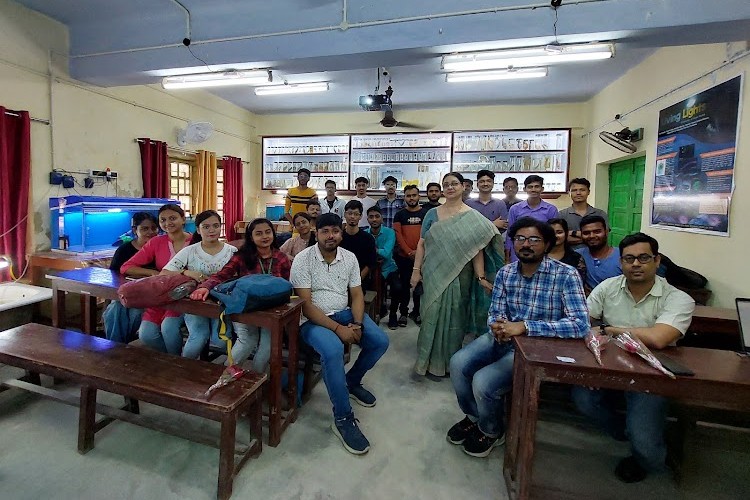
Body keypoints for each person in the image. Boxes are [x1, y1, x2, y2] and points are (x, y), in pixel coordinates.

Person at [447, 217, 589, 457]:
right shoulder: (506, 272)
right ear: (512, 244)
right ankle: (475, 416)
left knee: (483, 382)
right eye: (520, 239)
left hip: (536, 347)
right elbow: (496, 310)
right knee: (458, 364)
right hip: (502, 337)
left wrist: (524, 326)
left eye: (534, 239)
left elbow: (579, 325)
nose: (526, 244)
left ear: (546, 244)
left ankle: (492, 430)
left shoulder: (567, 275)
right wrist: (498, 326)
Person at [572, 232, 694, 483]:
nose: (635, 264)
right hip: (608, 364)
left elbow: (660, 338)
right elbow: (584, 321)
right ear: (621, 262)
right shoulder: (608, 287)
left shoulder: (678, 298)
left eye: (643, 258)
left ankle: (644, 447)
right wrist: (591, 359)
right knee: (583, 400)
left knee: (649, 449)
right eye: (629, 259)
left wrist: (609, 330)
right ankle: (626, 432)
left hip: (653, 373)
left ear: (657, 261)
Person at [290, 213, 390, 455]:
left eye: (335, 231)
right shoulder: (303, 259)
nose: (330, 236)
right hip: (311, 321)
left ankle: (351, 381)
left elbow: (356, 294)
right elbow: (305, 304)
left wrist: (356, 323)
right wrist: (337, 329)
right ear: (317, 233)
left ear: (341, 233)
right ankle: (343, 418)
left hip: (345, 313)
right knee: (333, 350)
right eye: (325, 231)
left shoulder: (349, 258)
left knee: (379, 341)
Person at [410, 172, 504, 377]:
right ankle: (426, 362)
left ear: (463, 187)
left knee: (454, 319)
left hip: (460, 276)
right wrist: (416, 271)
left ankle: (449, 365)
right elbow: (422, 243)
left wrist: (481, 277)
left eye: (454, 184)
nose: (450, 187)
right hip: (432, 272)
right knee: (430, 316)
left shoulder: (473, 217)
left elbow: (477, 249)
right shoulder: (432, 214)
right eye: (446, 184)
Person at [191, 218, 292, 372]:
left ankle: (256, 382)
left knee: (268, 346)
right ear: (251, 237)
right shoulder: (242, 256)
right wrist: (205, 287)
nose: (264, 236)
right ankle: (225, 376)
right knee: (247, 339)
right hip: (245, 305)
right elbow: (222, 275)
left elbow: (288, 284)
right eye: (259, 233)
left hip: (272, 310)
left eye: (268, 232)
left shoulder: (281, 258)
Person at [161, 210, 237, 359]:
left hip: (221, 304)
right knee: (198, 336)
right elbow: (164, 273)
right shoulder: (189, 251)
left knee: (221, 341)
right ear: (198, 229)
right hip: (195, 303)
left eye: (216, 226)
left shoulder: (232, 251)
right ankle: (183, 371)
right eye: (206, 226)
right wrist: (187, 273)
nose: (211, 230)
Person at [121, 203, 191, 354]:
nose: (168, 223)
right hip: (159, 296)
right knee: (146, 334)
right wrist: (154, 274)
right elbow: (126, 267)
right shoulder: (156, 242)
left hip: (184, 297)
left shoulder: (195, 242)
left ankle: (176, 364)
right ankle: (171, 360)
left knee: (168, 328)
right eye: (163, 220)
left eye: (173, 218)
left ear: (183, 219)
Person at [103, 212, 159, 344]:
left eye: (154, 228)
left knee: (136, 312)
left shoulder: (160, 248)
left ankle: (121, 345)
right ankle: (115, 346)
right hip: (123, 293)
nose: (150, 232)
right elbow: (113, 275)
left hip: (149, 296)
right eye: (145, 229)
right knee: (114, 310)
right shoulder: (124, 250)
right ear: (135, 230)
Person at [393, 184, 429, 325]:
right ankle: (403, 313)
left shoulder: (426, 213)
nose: (411, 198)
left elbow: (428, 234)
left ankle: (418, 312)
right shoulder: (399, 215)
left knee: (420, 286)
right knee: (405, 286)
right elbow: (398, 235)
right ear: (404, 198)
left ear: (419, 196)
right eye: (408, 195)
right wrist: (409, 252)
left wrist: (420, 252)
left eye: (414, 195)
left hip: (424, 257)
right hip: (404, 257)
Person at [505, 175, 559, 263]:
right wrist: (507, 257)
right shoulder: (515, 209)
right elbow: (510, 234)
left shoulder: (551, 209)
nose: (533, 189)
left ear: (542, 189)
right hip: (519, 252)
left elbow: (552, 235)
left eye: (536, 187)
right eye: (530, 187)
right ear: (524, 189)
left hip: (541, 253)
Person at [365, 206, 402, 330]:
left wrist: (373, 250)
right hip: (371, 269)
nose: (374, 219)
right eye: (371, 217)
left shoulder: (390, 232)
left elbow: (386, 253)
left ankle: (392, 315)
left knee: (397, 288)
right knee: (369, 288)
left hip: (389, 267)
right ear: (367, 219)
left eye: (377, 216)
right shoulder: (365, 233)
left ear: (382, 219)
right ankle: (374, 312)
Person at [558, 178, 609, 249]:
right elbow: (560, 238)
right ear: (569, 193)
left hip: (596, 255)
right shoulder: (562, 215)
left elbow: (603, 237)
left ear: (588, 192)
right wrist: (590, 238)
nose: (578, 193)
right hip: (571, 255)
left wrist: (573, 233)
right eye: (574, 190)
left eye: (582, 190)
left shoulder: (600, 214)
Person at [576, 214, 622, 289]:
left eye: (597, 231)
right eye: (586, 233)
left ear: (606, 232)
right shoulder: (576, 256)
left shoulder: (622, 256)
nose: (592, 236)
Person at [341, 200, 377, 288]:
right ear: (345, 215)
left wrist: (357, 280)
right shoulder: (339, 238)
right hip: (340, 279)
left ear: (360, 216)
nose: (352, 217)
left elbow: (370, 263)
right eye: (350, 213)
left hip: (360, 281)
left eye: (356, 214)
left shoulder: (368, 238)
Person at [547, 217, 588, 288]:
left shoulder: (576, 258)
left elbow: (579, 284)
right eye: (551, 232)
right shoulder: (539, 256)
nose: (555, 236)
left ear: (566, 233)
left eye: (559, 232)